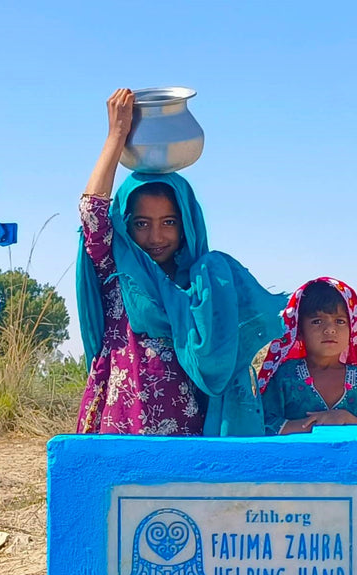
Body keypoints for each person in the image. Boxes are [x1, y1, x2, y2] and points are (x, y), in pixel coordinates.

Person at [76, 88, 287, 436]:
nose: (156, 236)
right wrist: (116, 136)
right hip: (121, 423)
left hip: (189, 429)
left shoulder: (201, 283)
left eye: (169, 222)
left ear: (187, 223)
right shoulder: (118, 270)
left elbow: (221, 358)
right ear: (126, 225)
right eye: (142, 224)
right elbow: (92, 213)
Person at [256, 277, 357, 434]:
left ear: (352, 330)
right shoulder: (284, 376)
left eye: (340, 321)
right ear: (298, 332)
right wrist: (314, 427)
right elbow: (262, 424)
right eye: (317, 321)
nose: (330, 329)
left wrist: (348, 419)